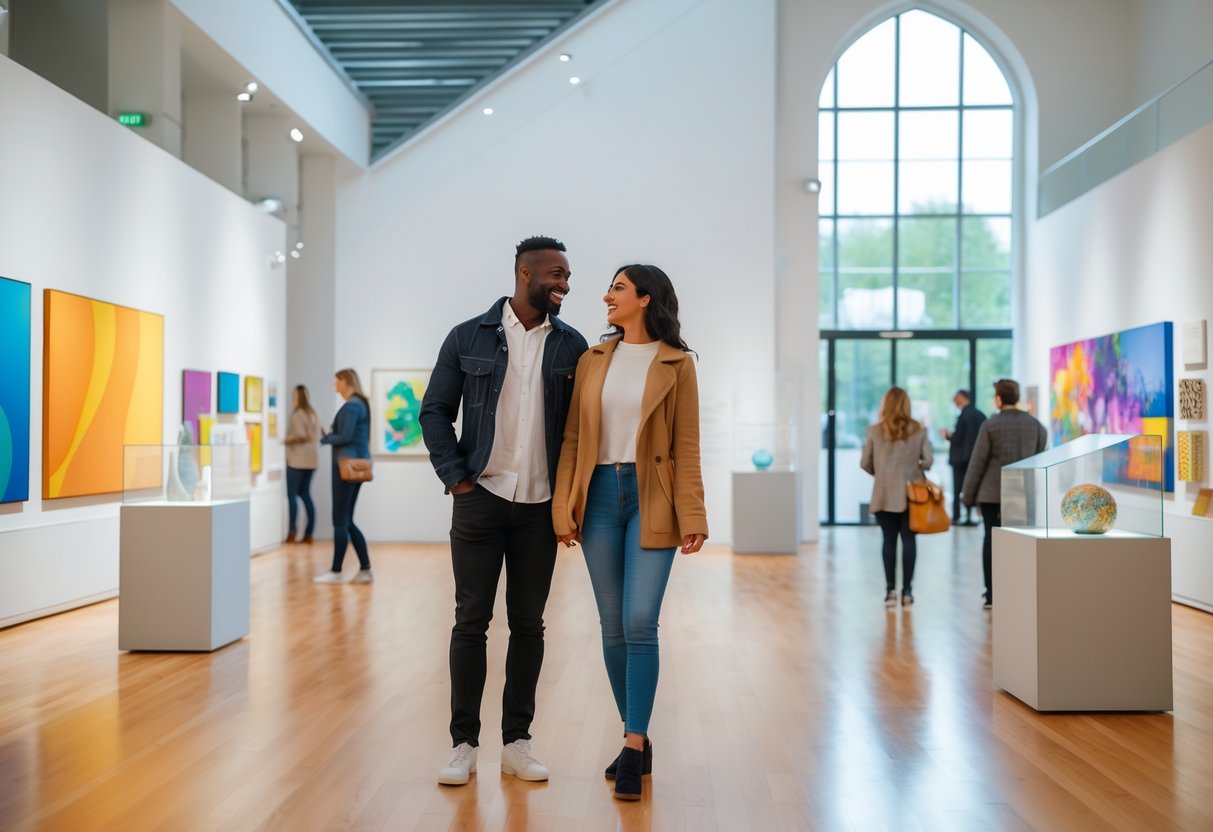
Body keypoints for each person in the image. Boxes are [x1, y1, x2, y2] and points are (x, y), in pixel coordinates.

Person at [419, 236, 588, 787]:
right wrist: (457, 480)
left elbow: (581, 431)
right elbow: (435, 412)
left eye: (566, 275)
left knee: (528, 625)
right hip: (481, 501)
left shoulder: (572, 346)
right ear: (524, 273)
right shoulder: (467, 336)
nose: (564, 283)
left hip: (540, 508)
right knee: (470, 622)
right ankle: (463, 744)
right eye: (556, 274)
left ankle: (517, 742)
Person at [552, 264, 708, 802]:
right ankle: (634, 738)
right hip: (595, 496)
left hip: (651, 496)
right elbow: (573, 438)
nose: (606, 297)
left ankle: (633, 745)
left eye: (617, 289)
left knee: (641, 621)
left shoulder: (677, 364)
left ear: (645, 298)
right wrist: (562, 506)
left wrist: (694, 515)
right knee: (613, 626)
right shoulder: (593, 359)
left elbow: (686, 445)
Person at [961, 378, 1047, 609]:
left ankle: (992, 594)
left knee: (991, 540)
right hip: (1024, 492)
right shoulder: (1036, 426)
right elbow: (1041, 456)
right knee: (1021, 541)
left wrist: (967, 495)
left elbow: (978, 462)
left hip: (993, 494)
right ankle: (1019, 589)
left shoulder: (991, 425)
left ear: (999, 399)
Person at [860, 386, 932, 609]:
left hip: (884, 493)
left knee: (888, 541)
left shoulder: (875, 430)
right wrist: (913, 470)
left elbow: (865, 463)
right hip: (912, 494)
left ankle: (890, 591)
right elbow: (928, 461)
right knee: (909, 540)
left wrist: (881, 474)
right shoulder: (918, 430)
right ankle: (908, 592)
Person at [313, 369, 373, 584]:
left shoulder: (351, 406)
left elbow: (344, 436)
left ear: (345, 381)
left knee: (340, 520)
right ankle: (365, 570)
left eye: (336, 381)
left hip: (345, 466)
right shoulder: (361, 404)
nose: (334, 386)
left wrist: (326, 438)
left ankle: (336, 571)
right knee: (347, 520)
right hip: (357, 465)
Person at [941, 389, 986, 525]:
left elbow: (958, 438)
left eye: (956, 398)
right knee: (971, 488)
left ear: (961, 397)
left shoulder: (964, 415)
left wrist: (948, 436)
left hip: (960, 459)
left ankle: (957, 516)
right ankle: (970, 516)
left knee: (957, 488)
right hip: (974, 458)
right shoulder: (979, 415)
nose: (954, 401)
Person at [283, 384, 321, 544]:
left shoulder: (298, 414)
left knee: (292, 495)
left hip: (297, 461)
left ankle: (292, 531)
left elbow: (300, 435)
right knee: (305, 495)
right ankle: (309, 533)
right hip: (311, 461)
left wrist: (285, 440)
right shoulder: (313, 414)